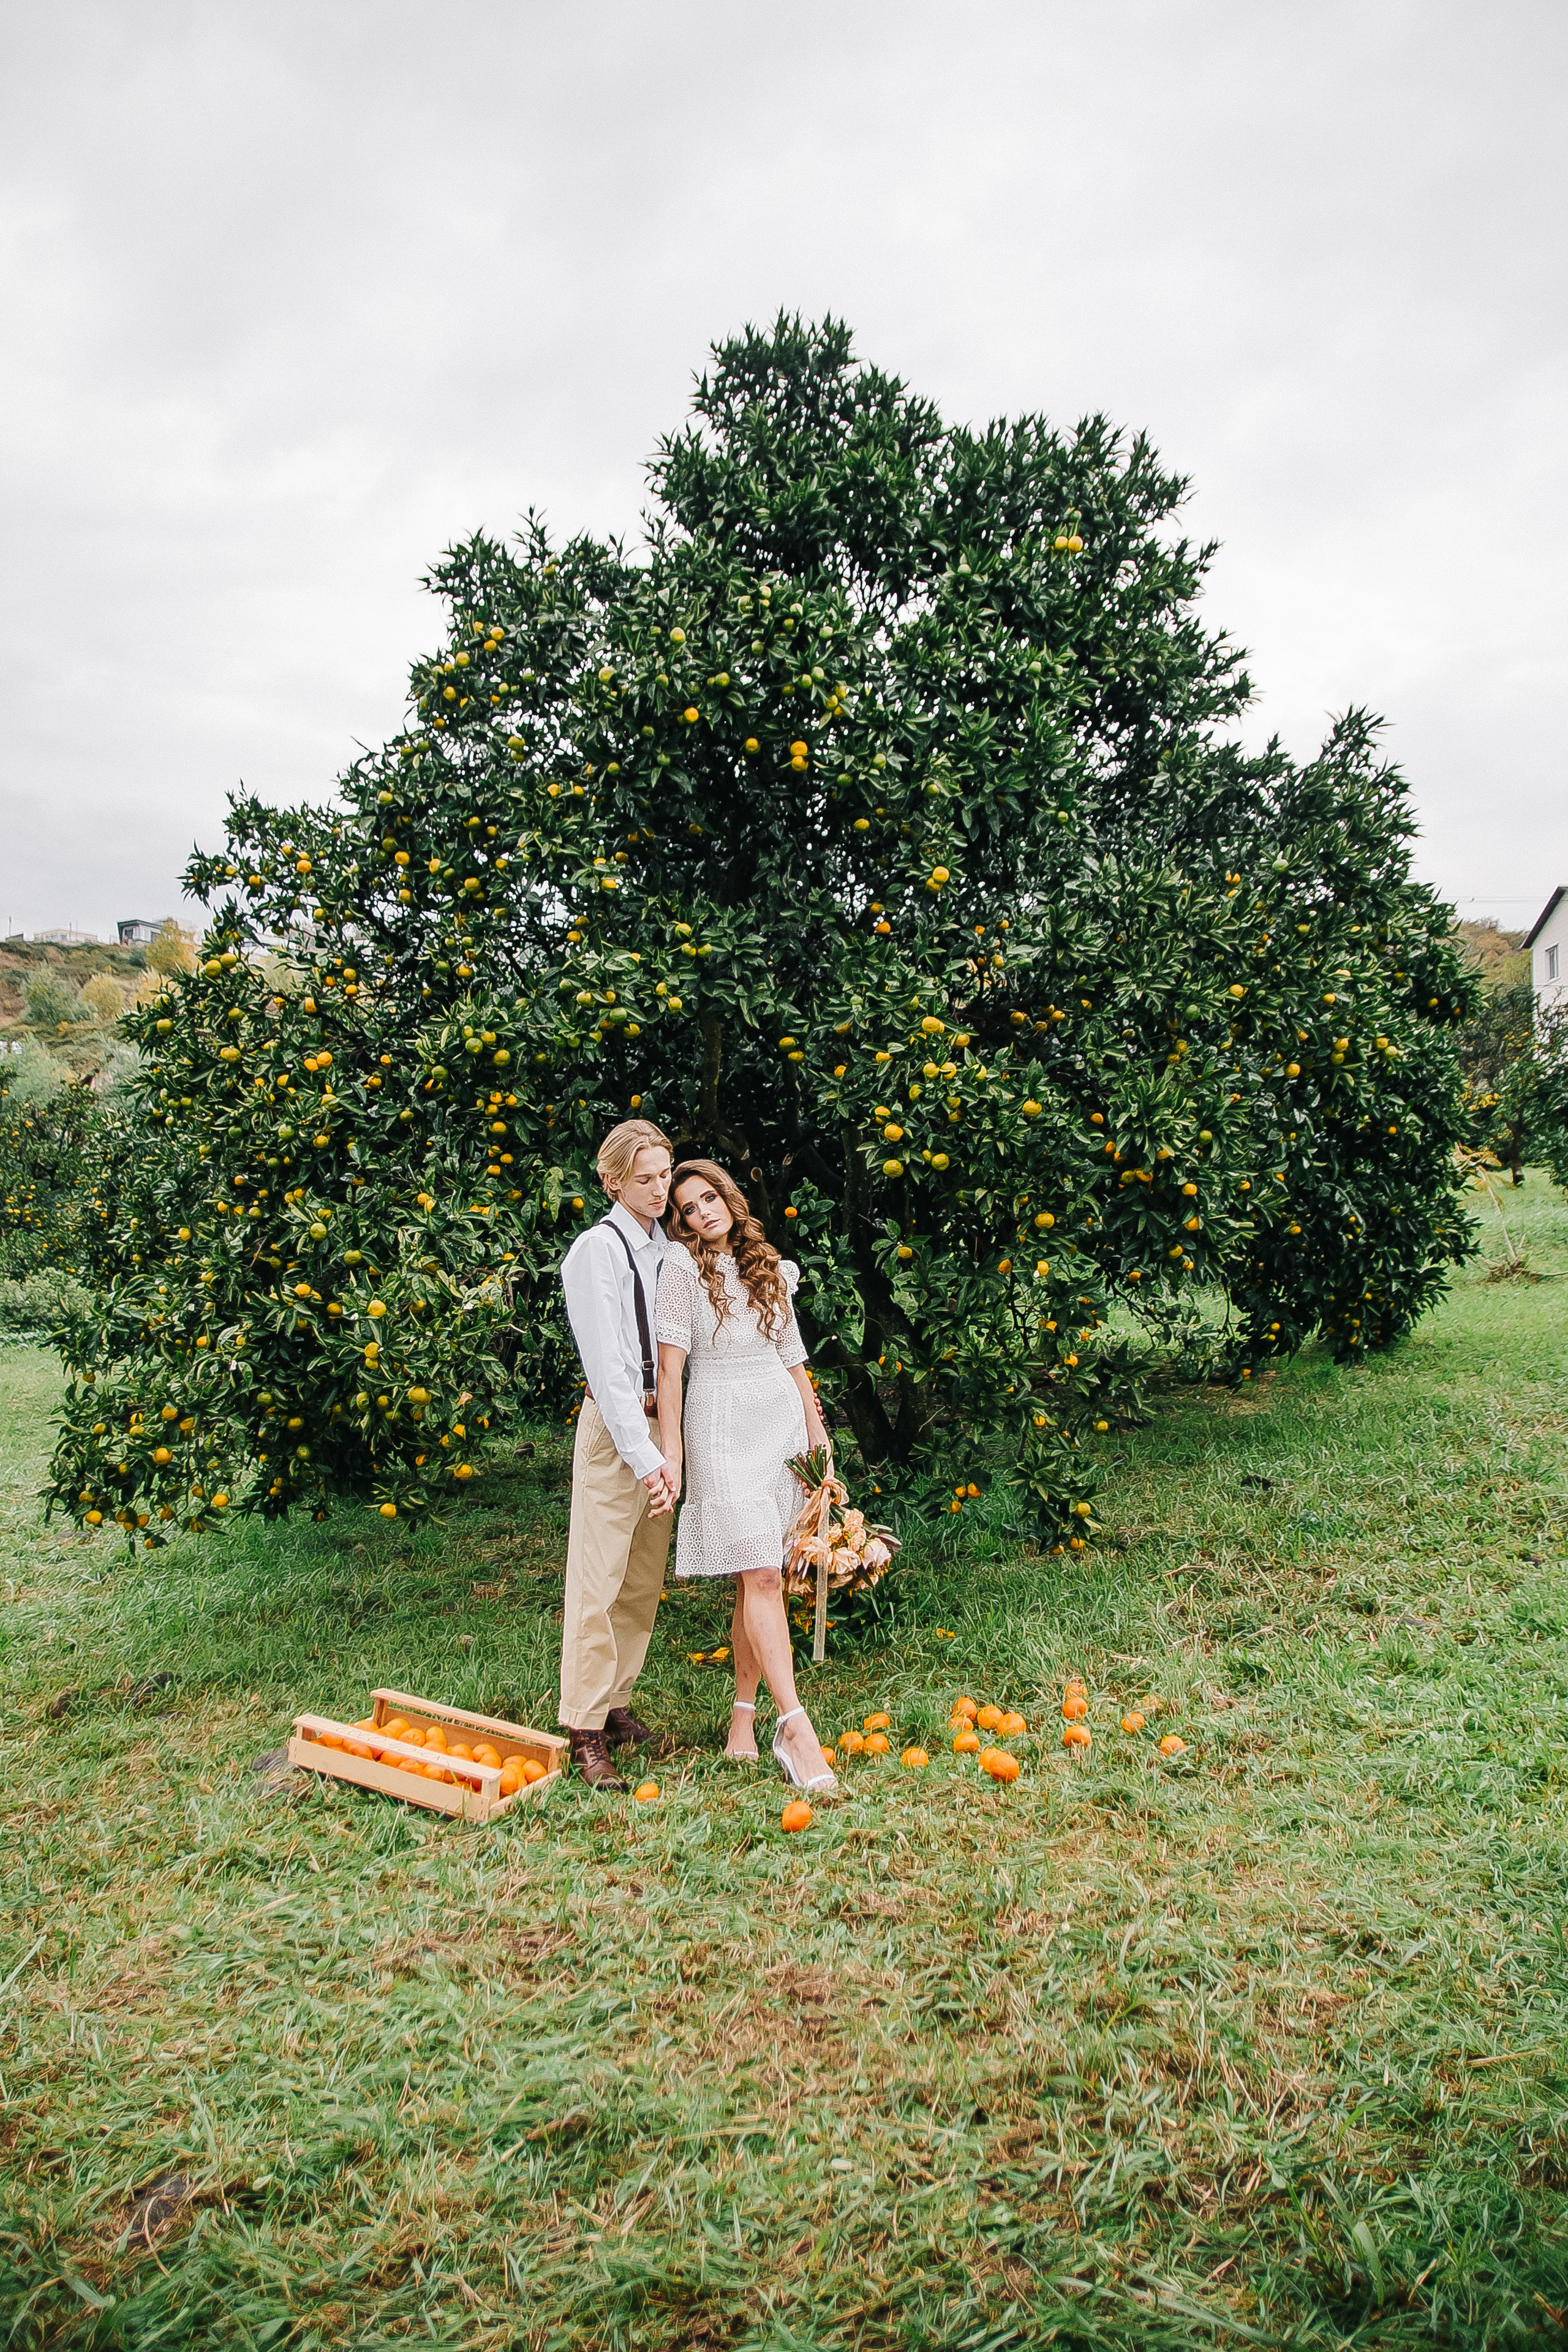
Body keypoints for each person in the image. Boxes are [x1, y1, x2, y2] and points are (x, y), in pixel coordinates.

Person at [655, 1159, 839, 1796]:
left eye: (709, 1198)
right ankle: (795, 1728)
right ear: (679, 1225)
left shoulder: (770, 1266)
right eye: (687, 1209)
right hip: (720, 1426)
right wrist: (673, 1456)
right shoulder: (680, 1270)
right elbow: (671, 1373)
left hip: (779, 1423)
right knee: (758, 1572)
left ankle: (743, 1718)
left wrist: (817, 1435)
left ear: (728, 1198)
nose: (703, 1212)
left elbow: (792, 1357)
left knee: (758, 1578)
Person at [557, 1119, 679, 1791]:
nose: (660, 1190)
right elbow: (607, 1370)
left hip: (662, 1426)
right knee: (598, 1579)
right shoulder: (595, 1251)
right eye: (644, 1179)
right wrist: (643, 1455)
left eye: (665, 1175)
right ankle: (582, 1726)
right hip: (618, 1429)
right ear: (611, 1181)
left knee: (640, 1578)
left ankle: (615, 1703)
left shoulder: (667, 1250)